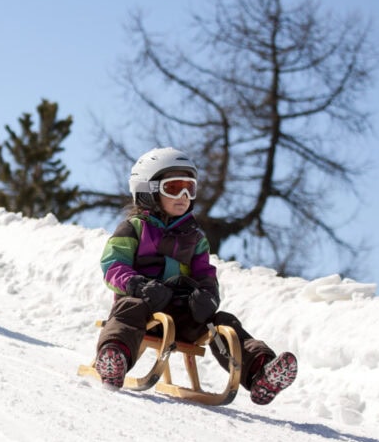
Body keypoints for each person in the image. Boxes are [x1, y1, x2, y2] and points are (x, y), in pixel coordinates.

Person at [93, 147, 298, 405]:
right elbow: (112, 265)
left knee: (223, 323)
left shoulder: (196, 239)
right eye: (174, 187)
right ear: (149, 191)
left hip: (184, 314)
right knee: (128, 308)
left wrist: (208, 297)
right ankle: (114, 357)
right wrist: (137, 284)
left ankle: (261, 371)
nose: (184, 196)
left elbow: (205, 275)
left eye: (190, 188)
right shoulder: (134, 228)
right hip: (144, 307)